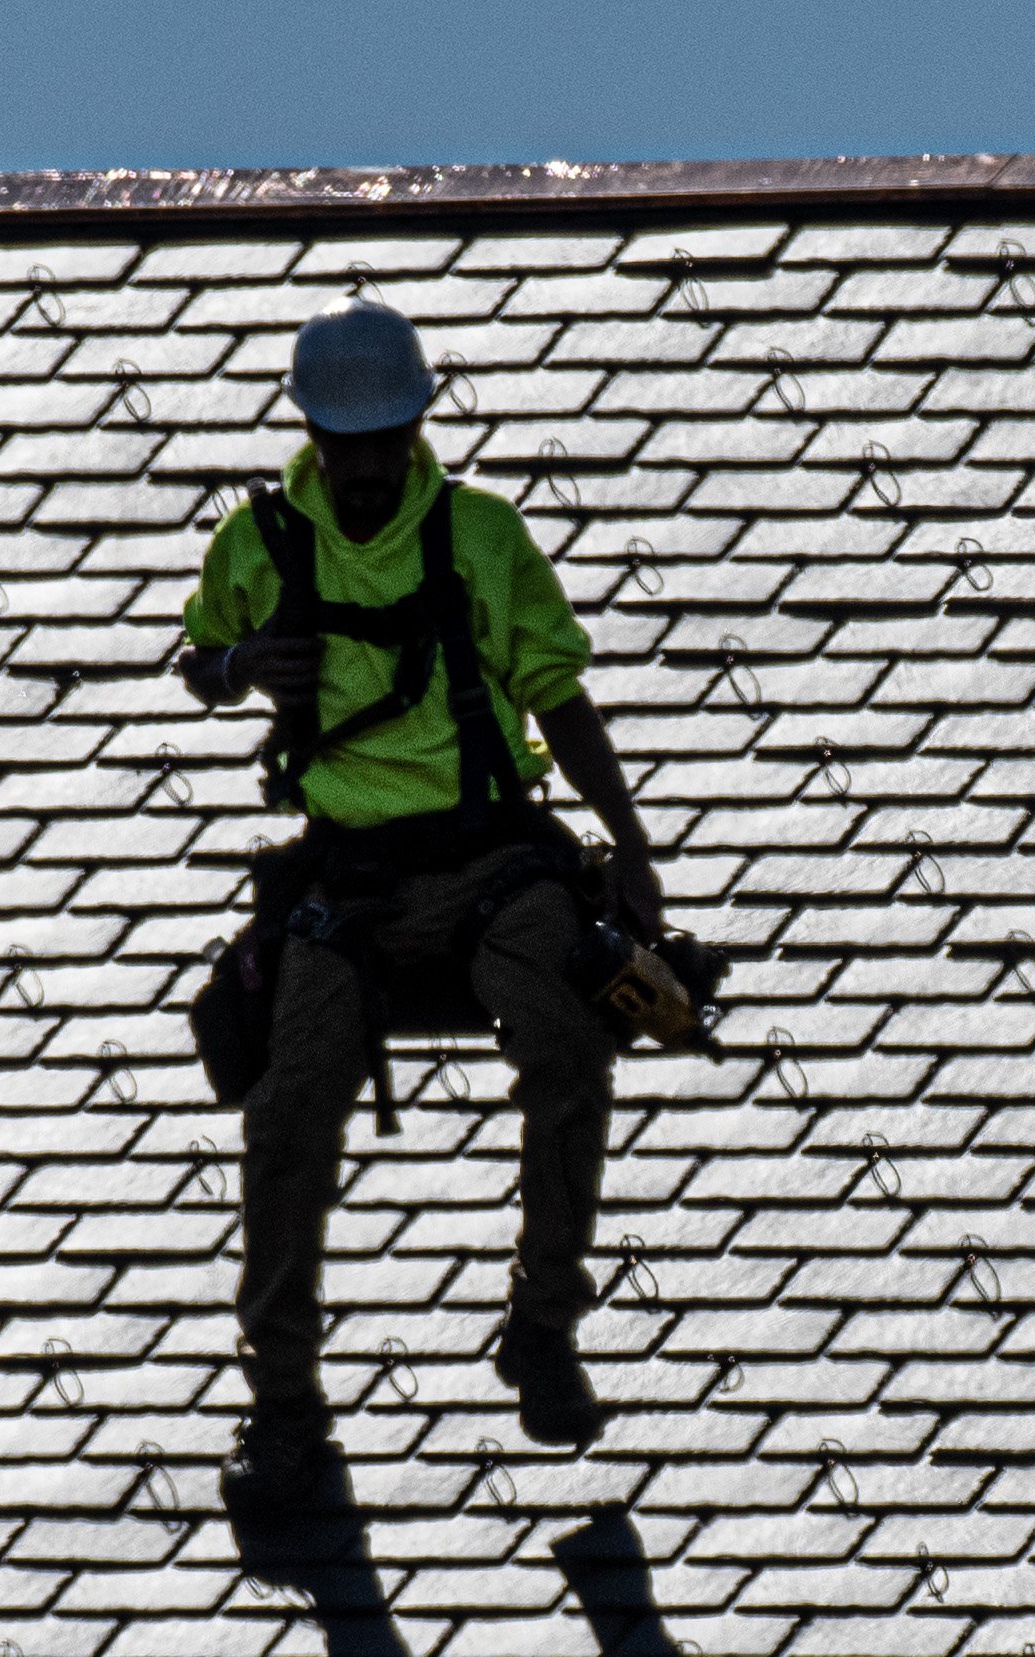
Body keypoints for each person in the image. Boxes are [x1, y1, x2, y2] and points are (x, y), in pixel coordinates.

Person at [175, 299, 665, 1500]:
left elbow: (560, 698)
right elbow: (196, 660)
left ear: (414, 430)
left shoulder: (483, 539)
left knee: (566, 1039)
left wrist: (632, 848)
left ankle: (542, 1326)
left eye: (383, 442)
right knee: (288, 1110)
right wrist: (241, 668)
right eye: (345, 446)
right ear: (312, 436)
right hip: (350, 878)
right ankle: (281, 1399)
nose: (363, 466)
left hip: (495, 861)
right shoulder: (264, 545)